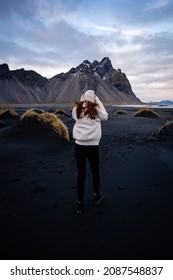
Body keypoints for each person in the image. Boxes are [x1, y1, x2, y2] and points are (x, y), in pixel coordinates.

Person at [72, 90, 108, 214]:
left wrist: (83, 100)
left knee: (81, 175)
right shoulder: (96, 112)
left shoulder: (76, 111)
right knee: (95, 172)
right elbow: (106, 115)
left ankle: (80, 204)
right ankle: (97, 196)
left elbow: (78, 109)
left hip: (78, 147)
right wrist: (98, 101)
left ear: (83, 99)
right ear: (93, 100)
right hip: (92, 147)